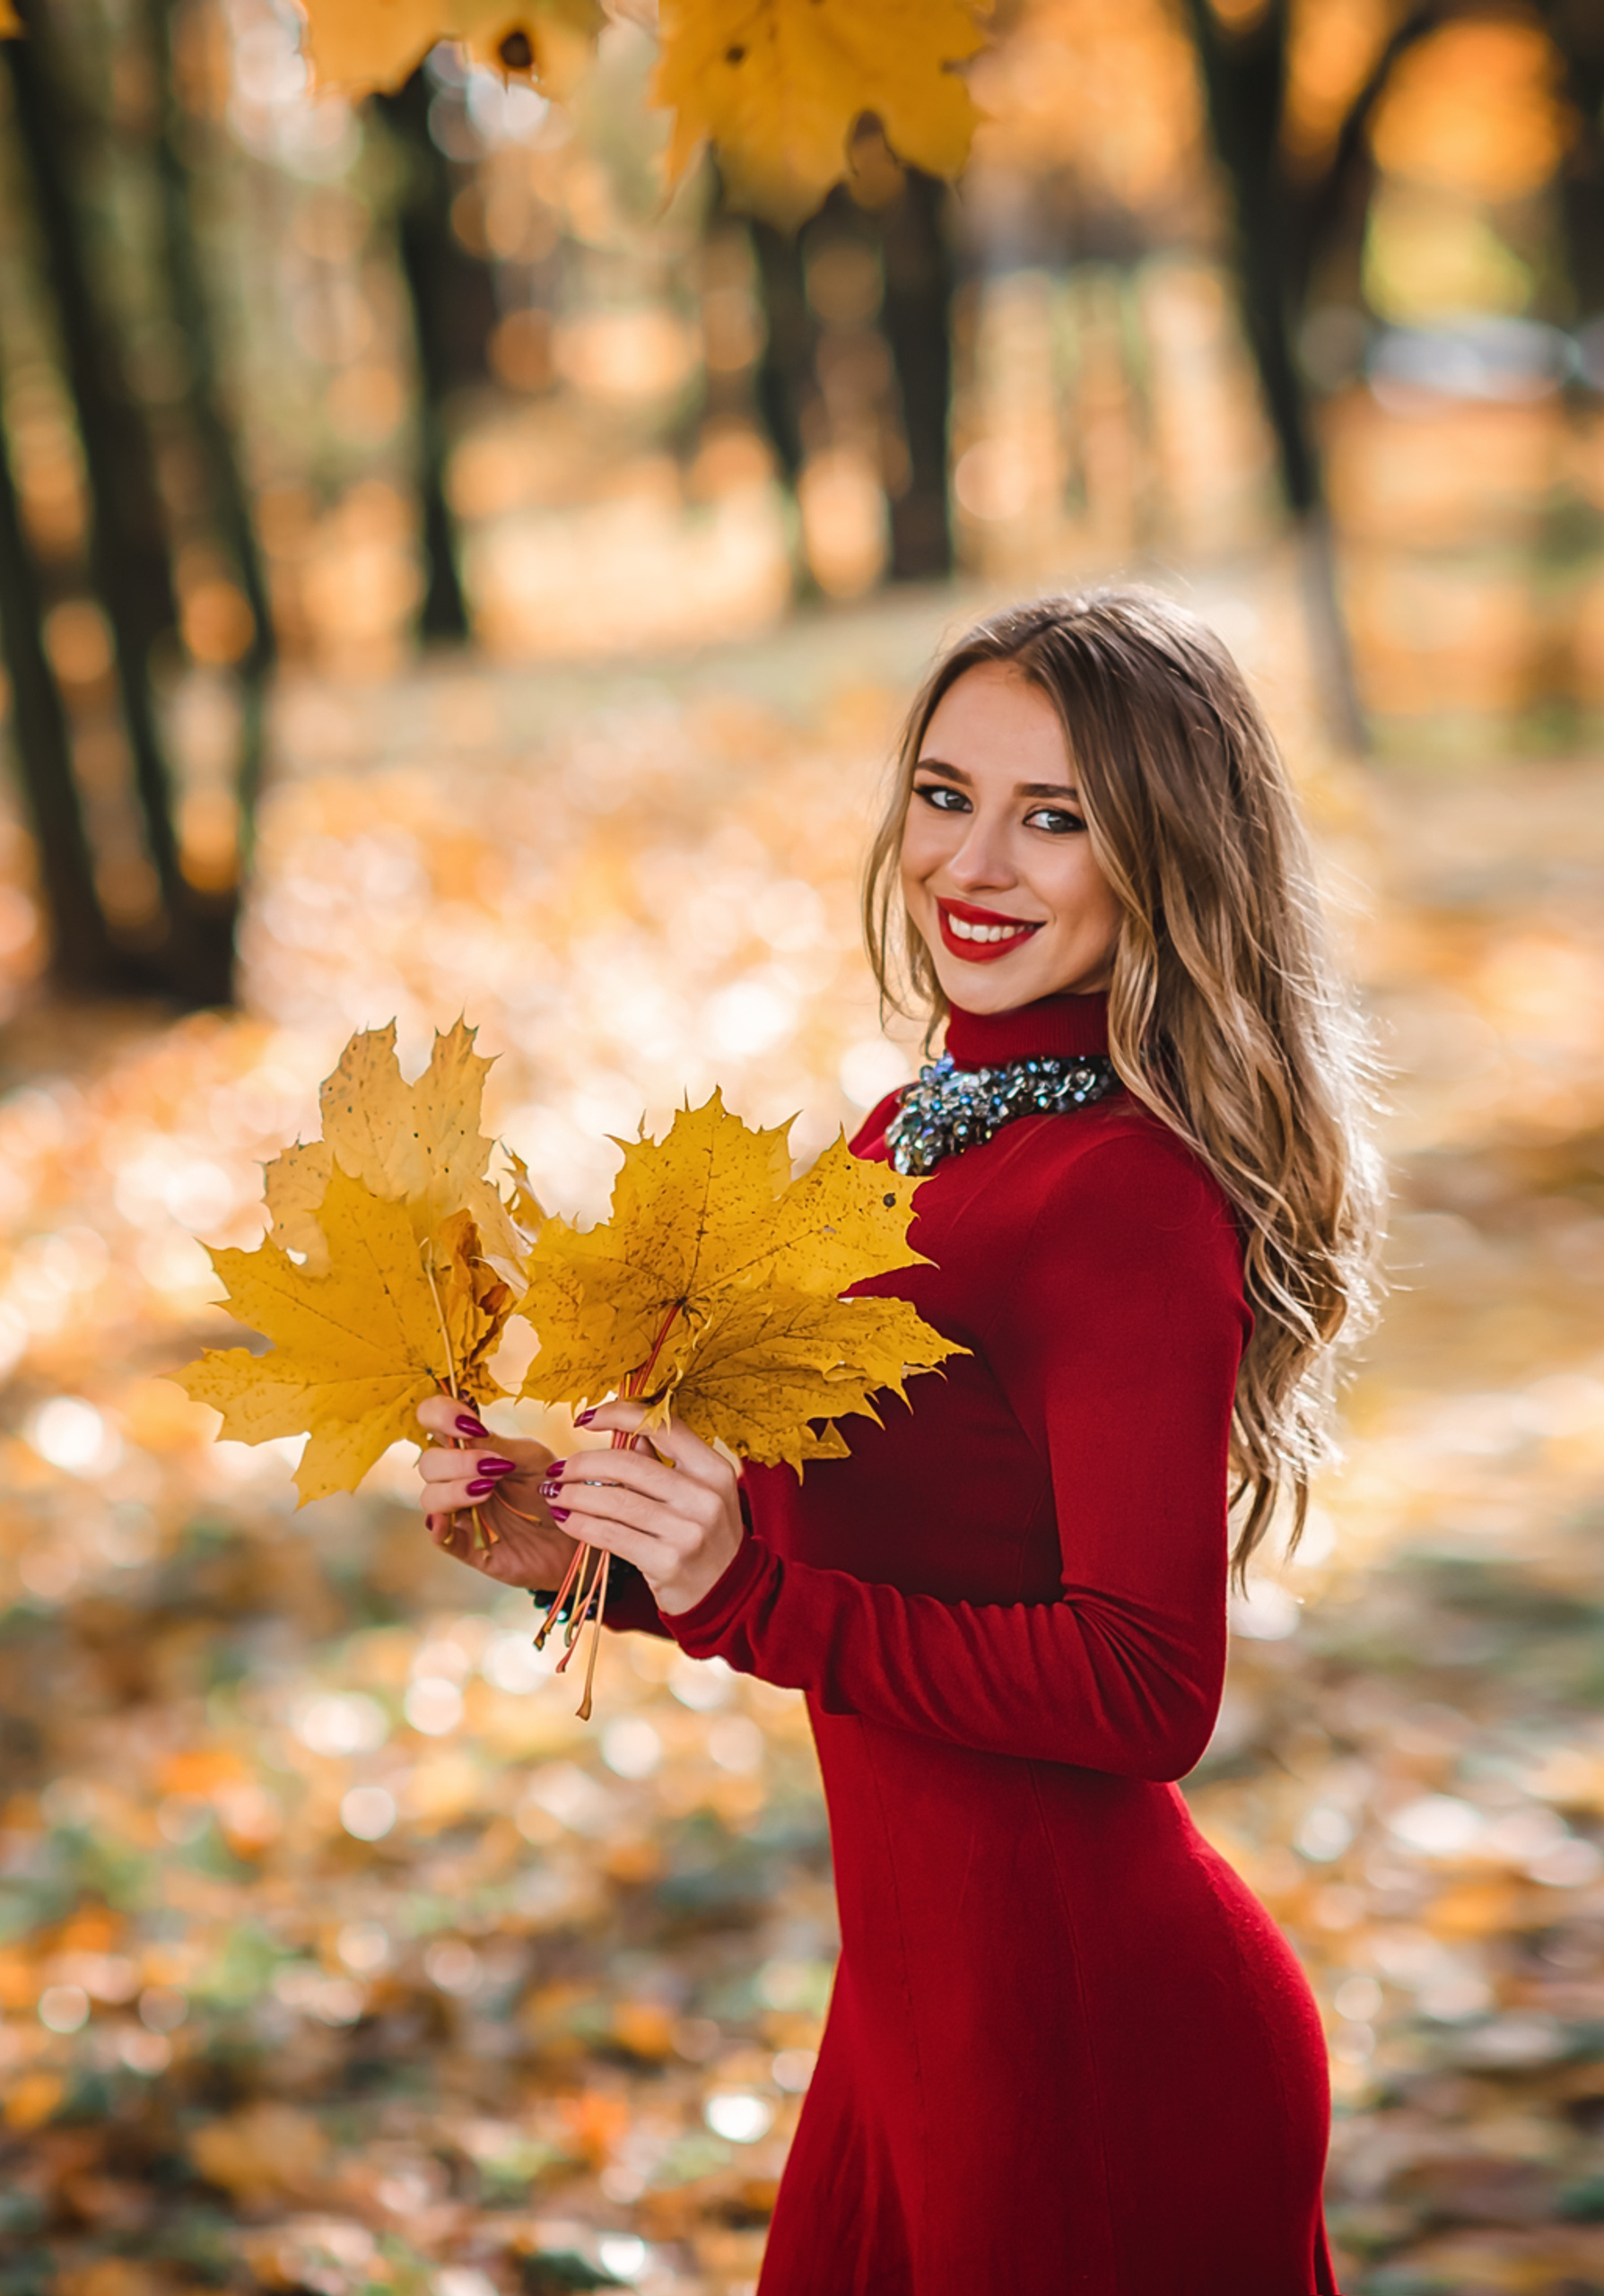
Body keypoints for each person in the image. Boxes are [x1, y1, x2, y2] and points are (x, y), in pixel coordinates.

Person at [413, 588, 1383, 2295]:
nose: (974, 865)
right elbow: (853, 1569)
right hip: (918, 2017)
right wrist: (591, 1563)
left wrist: (736, 1601)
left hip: (1086, 2048)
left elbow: (1150, 1691)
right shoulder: (910, 1132)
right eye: (946, 795)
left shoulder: (1122, 1198)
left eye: (1055, 817)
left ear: (1162, 852)